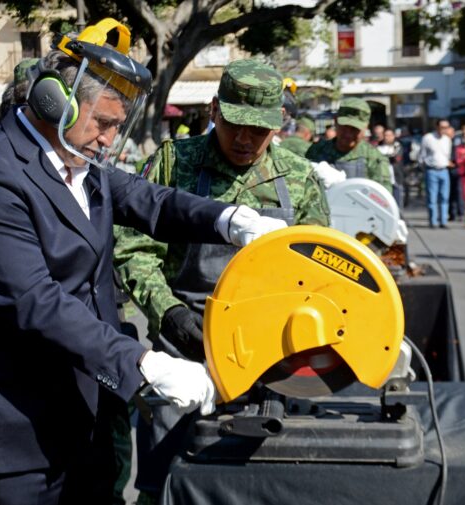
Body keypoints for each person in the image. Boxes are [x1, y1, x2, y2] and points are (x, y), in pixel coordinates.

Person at [0, 21, 286, 505]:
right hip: (9, 434)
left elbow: (151, 201)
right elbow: (36, 301)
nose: (110, 140)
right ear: (56, 101)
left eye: (118, 125)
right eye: (104, 123)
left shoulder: (76, 159)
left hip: (81, 417)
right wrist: (144, 363)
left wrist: (231, 219)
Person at [116, 59, 329, 503]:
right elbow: (132, 249)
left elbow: (320, 276)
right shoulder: (176, 164)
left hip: (271, 359)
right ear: (214, 110)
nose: (246, 139)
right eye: (235, 125)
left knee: (257, 485)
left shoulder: (300, 179)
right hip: (183, 353)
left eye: (260, 129)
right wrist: (168, 313)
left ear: (279, 124)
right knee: (163, 483)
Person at [306, 98, 392, 193]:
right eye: (345, 127)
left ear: (365, 127)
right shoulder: (317, 151)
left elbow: (383, 199)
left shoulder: (374, 158)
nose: (348, 134)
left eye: (354, 129)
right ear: (335, 122)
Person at [420, 119, 453, 228]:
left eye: (446, 127)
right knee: (432, 197)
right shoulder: (428, 138)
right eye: (442, 127)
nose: (444, 130)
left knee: (444, 197)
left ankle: (443, 220)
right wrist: (424, 165)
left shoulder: (447, 140)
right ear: (437, 127)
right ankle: (433, 221)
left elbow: (448, 156)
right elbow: (422, 155)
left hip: (444, 170)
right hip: (431, 170)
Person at [377, 128, 404, 207]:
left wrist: (383, 158)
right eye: (385, 135)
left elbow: (396, 158)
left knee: (397, 204)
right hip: (382, 180)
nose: (387, 137)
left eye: (390, 135)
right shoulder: (378, 147)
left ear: (393, 136)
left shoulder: (397, 146)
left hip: (396, 178)